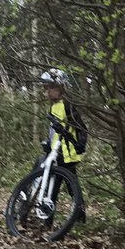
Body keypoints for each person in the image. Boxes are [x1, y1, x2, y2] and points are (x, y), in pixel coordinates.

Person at [40, 67, 88, 223]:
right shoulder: (53, 106)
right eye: (46, 88)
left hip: (68, 154)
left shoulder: (68, 105)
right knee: (54, 187)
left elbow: (81, 127)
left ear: (61, 88)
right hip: (56, 153)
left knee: (68, 187)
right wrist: (49, 144)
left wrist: (82, 143)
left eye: (51, 88)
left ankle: (79, 218)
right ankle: (49, 221)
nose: (48, 92)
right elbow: (54, 130)